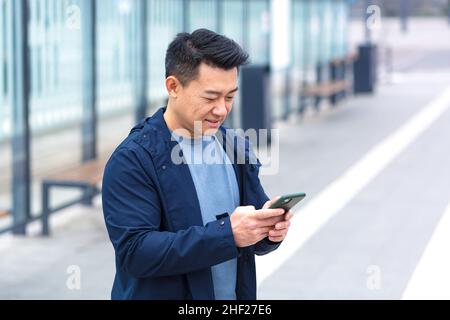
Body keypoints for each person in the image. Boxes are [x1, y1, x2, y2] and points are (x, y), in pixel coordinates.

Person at [102, 29, 292, 300]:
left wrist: (270, 229)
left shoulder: (234, 145)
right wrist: (228, 234)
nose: (222, 110)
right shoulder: (133, 159)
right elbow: (136, 252)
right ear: (173, 87)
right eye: (210, 97)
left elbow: (250, 227)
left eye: (229, 97)